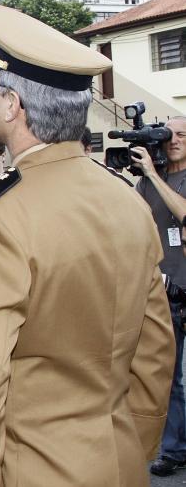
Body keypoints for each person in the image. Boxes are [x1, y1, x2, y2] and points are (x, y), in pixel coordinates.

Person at [0, 8, 174, 485]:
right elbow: (155, 349)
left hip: (34, 467)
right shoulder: (127, 199)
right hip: (120, 459)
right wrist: (136, 442)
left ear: (11, 106)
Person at [133, 117, 186, 477]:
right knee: (168, 375)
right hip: (165, 294)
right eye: (169, 134)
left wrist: (153, 175)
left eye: (181, 134)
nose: (173, 141)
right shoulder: (150, 179)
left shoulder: (165, 179)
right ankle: (175, 449)